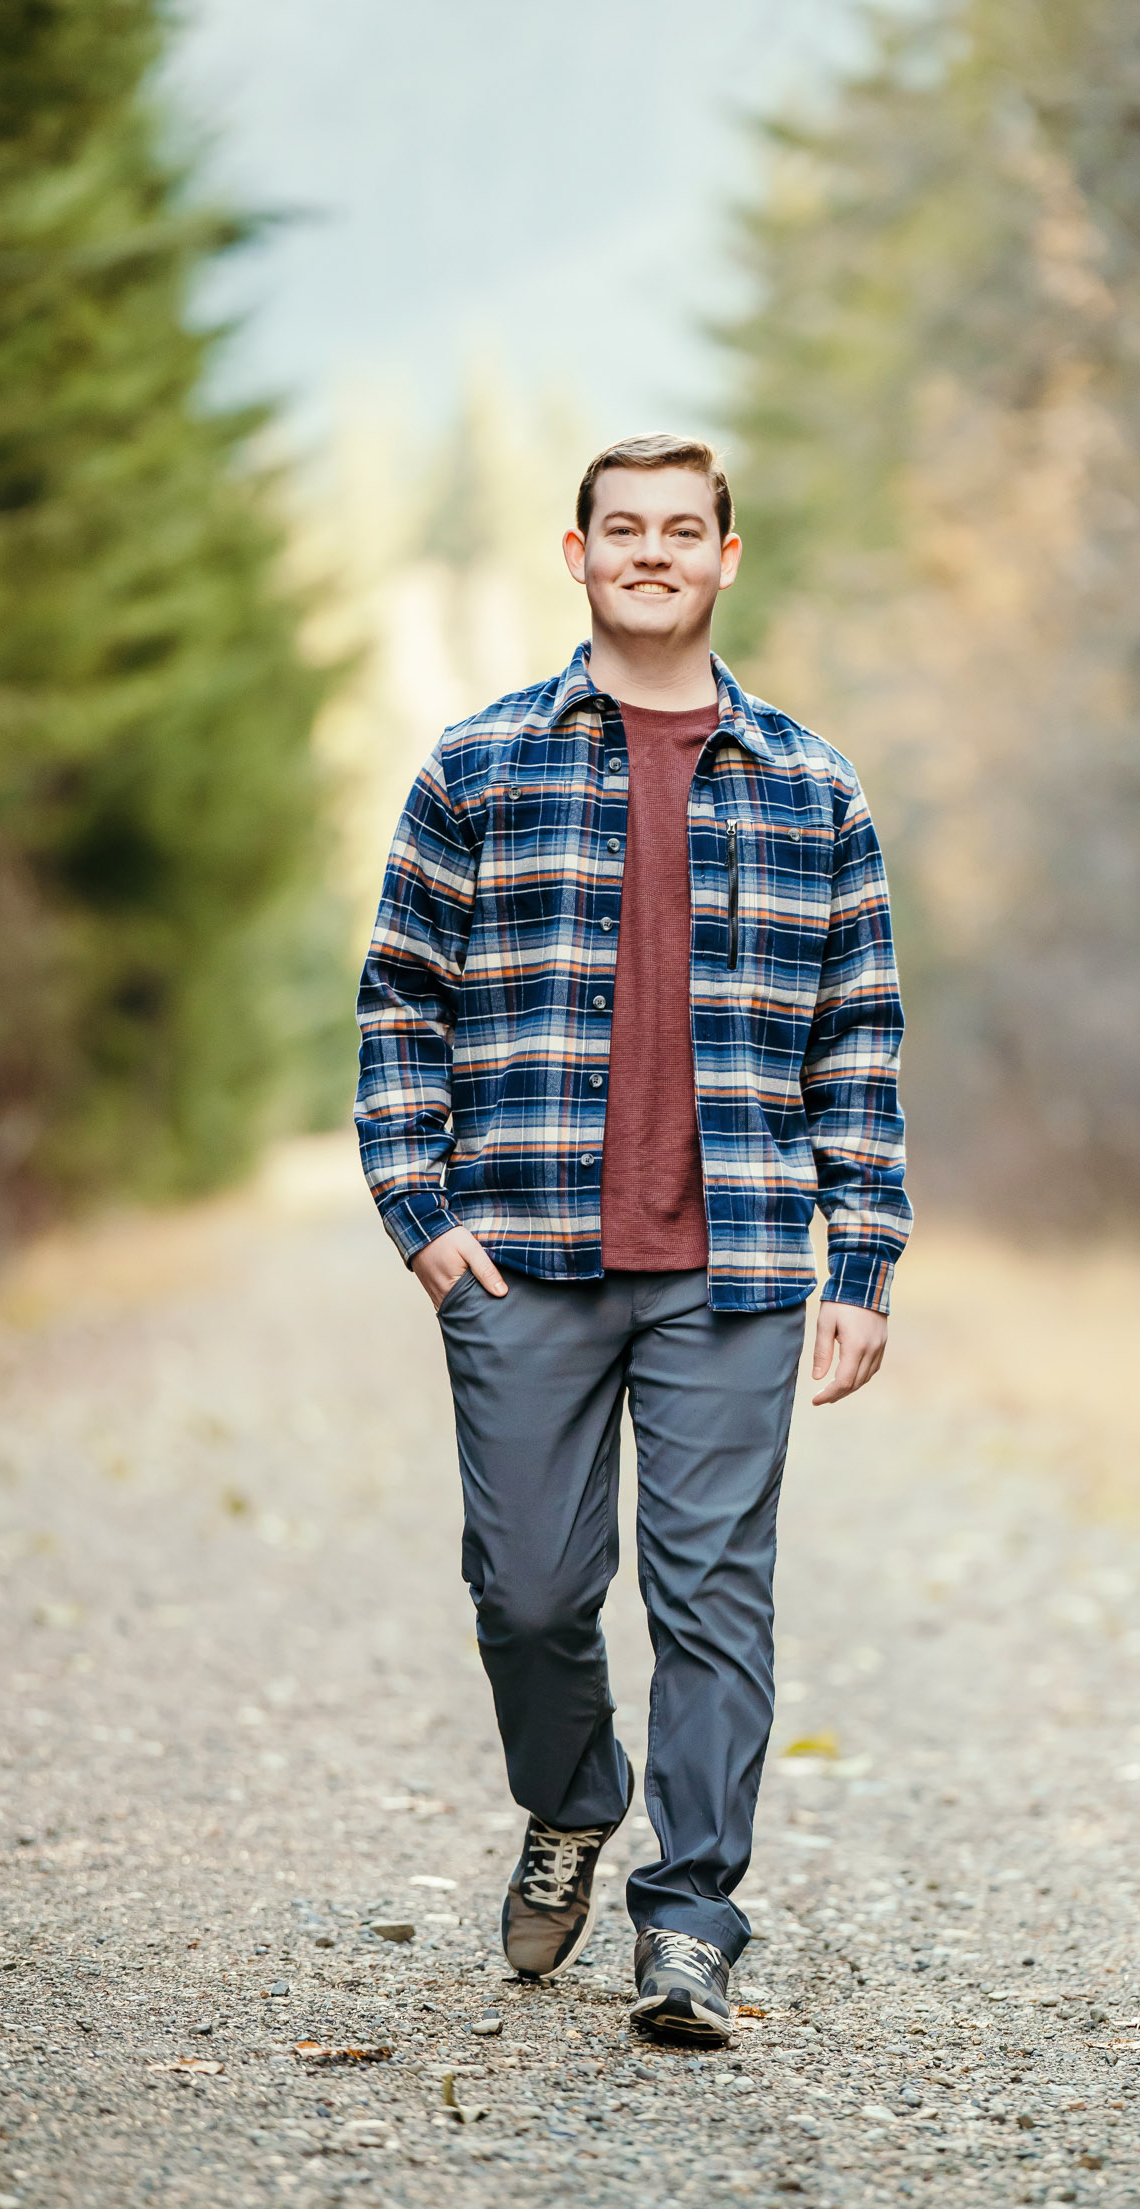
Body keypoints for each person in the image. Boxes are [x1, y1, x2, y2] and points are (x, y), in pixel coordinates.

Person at [355, 433, 910, 2046]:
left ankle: (692, 1925)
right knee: (529, 1595)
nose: (654, 551)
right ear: (578, 556)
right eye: (625, 529)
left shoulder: (813, 787)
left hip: (733, 1262)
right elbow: (400, 1000)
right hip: (522, 1251)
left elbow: (856, 1036)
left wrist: (861, 1263)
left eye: (684, 528)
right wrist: (423, 1215)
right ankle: (572, 1798)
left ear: (728, 559)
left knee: (715, 1596)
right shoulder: (481, 766)